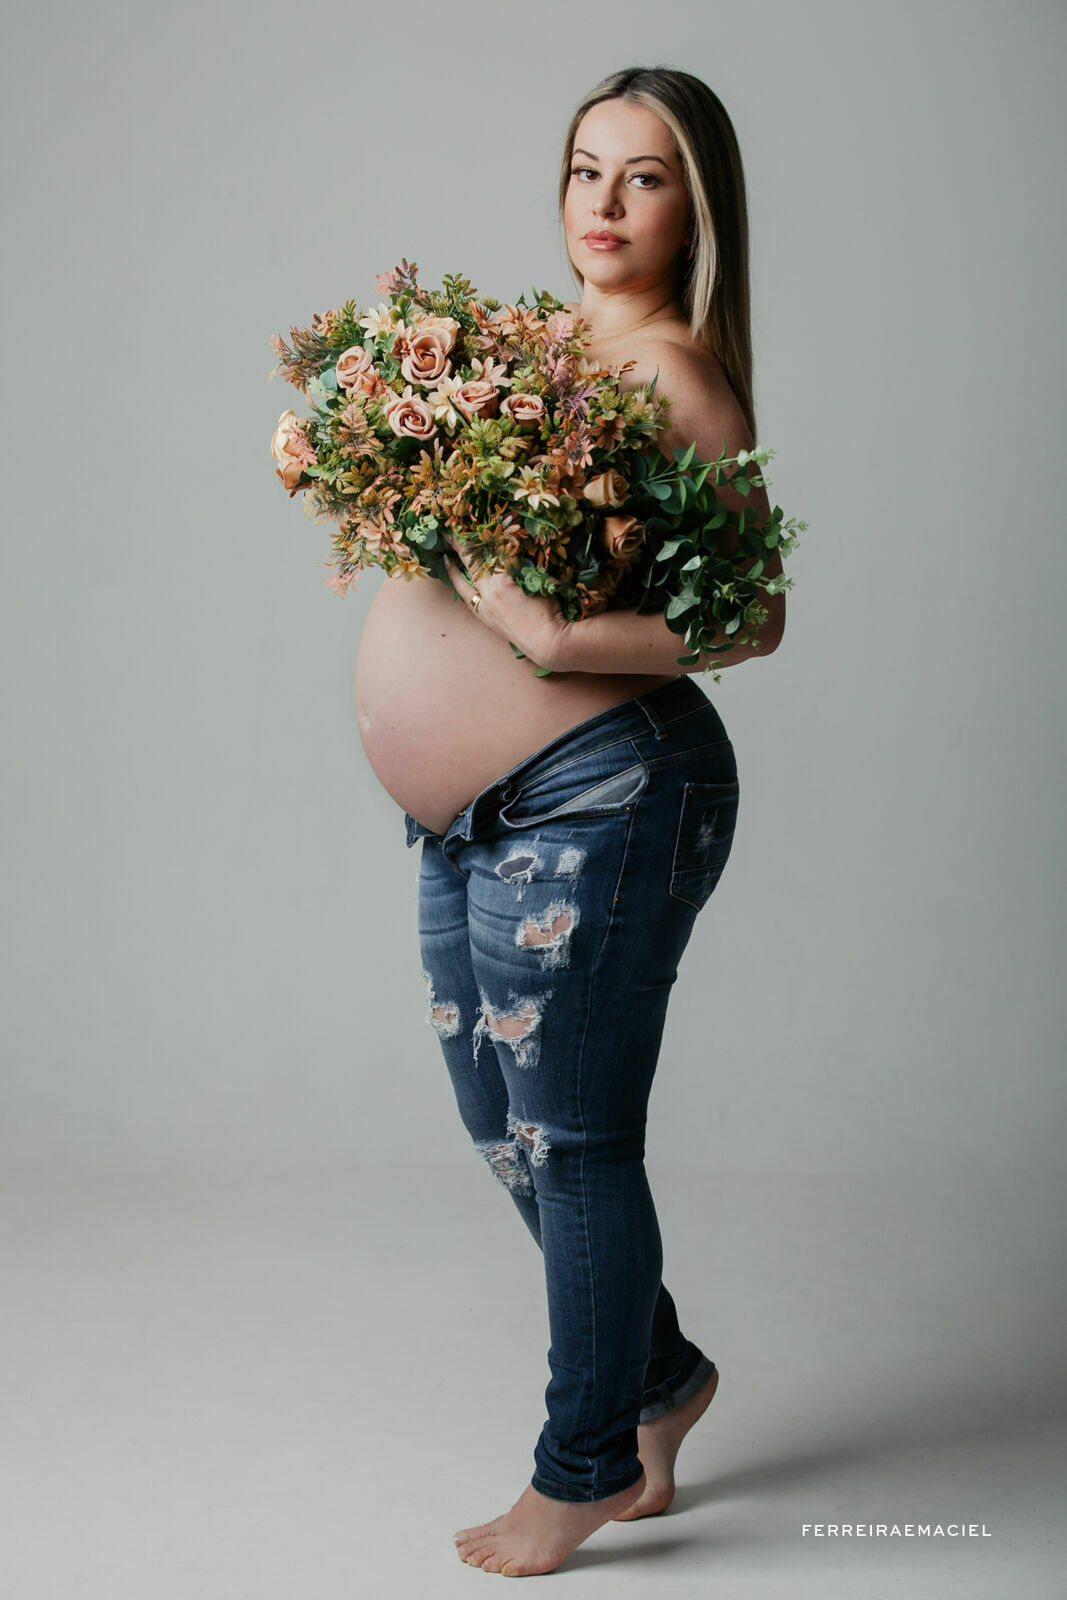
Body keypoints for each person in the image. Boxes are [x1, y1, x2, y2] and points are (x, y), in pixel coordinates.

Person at [353, 64, 785, 1578]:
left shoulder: (678, 375)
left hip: (612, 791)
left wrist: (547, 635)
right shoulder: (528, 348)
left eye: (643, 175)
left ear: (695, 206)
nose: (603, 204)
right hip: (480, 813)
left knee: (578, 1141)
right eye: (584, 170)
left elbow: (755, 619)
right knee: (506, 1128)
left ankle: (587, 1466)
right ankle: (661, 1383)